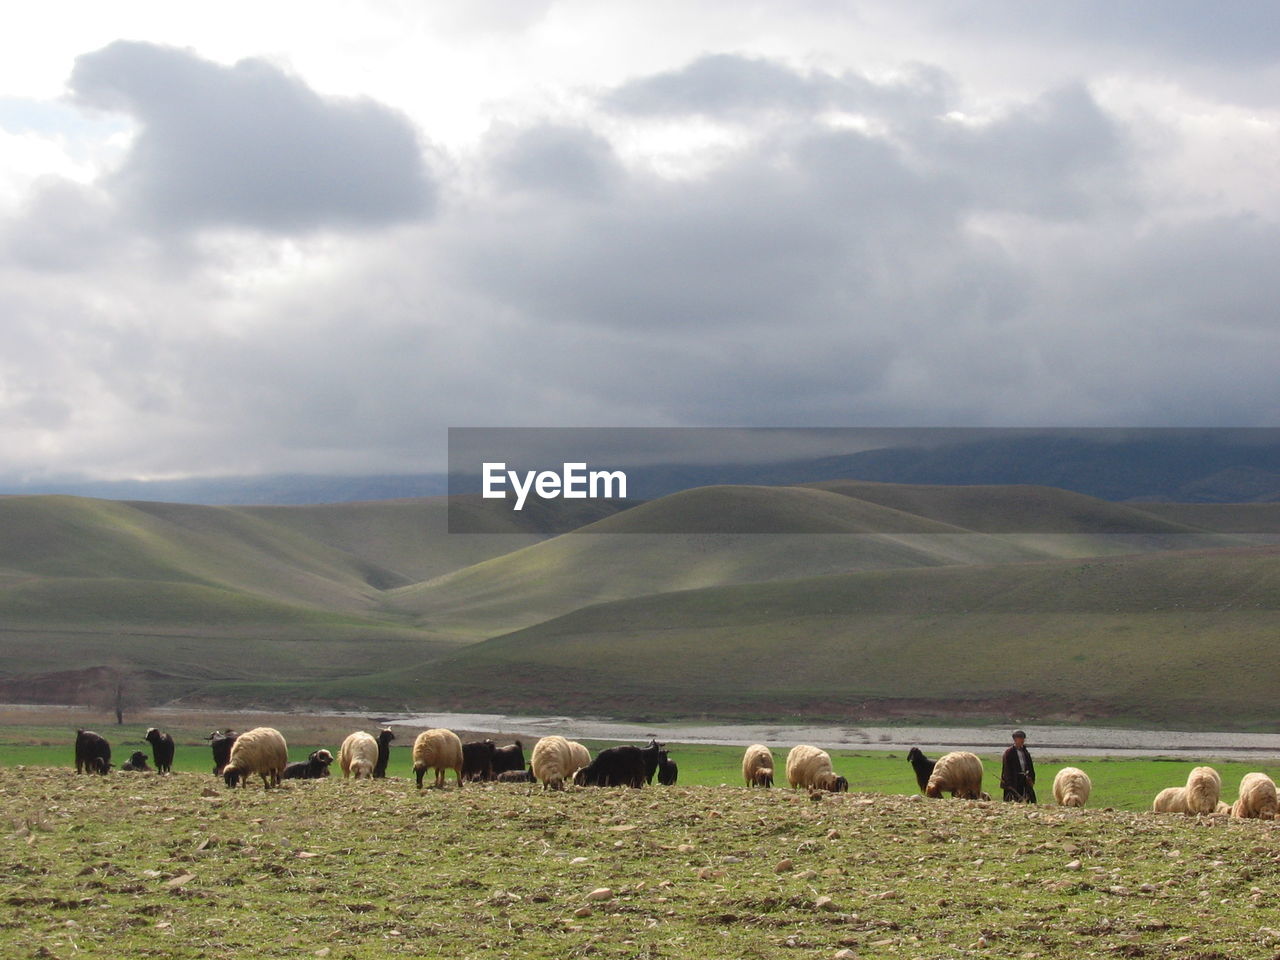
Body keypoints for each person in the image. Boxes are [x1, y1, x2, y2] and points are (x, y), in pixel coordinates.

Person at [1000, 729, 1036, 803]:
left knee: (1029, 798)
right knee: (1013, 799)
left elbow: (1030, 767)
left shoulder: (1025, 752)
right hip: (1013, 780)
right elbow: (1006, 769)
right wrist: (1008, 783)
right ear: (1015, 739)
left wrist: (1032, 778)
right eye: (1020, 738)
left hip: (1024, 779)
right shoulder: (1009, 753)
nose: (1022, 740)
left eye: (1023, 738)